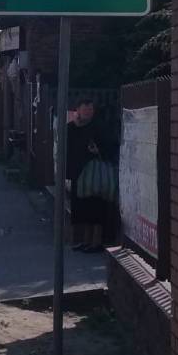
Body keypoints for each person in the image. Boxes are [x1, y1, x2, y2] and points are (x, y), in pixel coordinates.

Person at [66, 97, 106, 252]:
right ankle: (83, 240)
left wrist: (98, 150)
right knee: (80, 208)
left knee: (95, 207)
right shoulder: (71, 128)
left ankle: (95, 242)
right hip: (78, 173)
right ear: (78, 109)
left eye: (91, 109)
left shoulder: (98, 126)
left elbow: (109, 144)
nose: (89, 111)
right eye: (86, 108)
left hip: (94, 174)